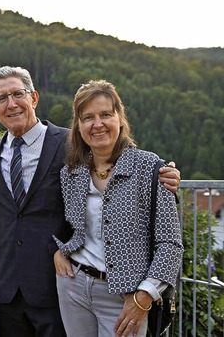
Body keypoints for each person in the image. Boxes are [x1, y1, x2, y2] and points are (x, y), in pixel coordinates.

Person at [0, 66, 181, 337]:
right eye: (1, 98)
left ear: (34, 97)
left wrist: (167, 177)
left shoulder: (69, 146)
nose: (11, 103)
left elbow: (161, 228)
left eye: (18, 94)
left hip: (61, 288)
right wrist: (60, 249)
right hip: (23, 286)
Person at [52, 80, 183, 337]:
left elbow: (171, 244)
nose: (97, 124)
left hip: (127, 296)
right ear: (79, 127)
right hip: (74, 286)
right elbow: (70, 226)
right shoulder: (71, 173)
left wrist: (144, 296)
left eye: (105, 115)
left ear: (119, 119)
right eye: (87, 117)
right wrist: (60, 250)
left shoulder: (151, 168)